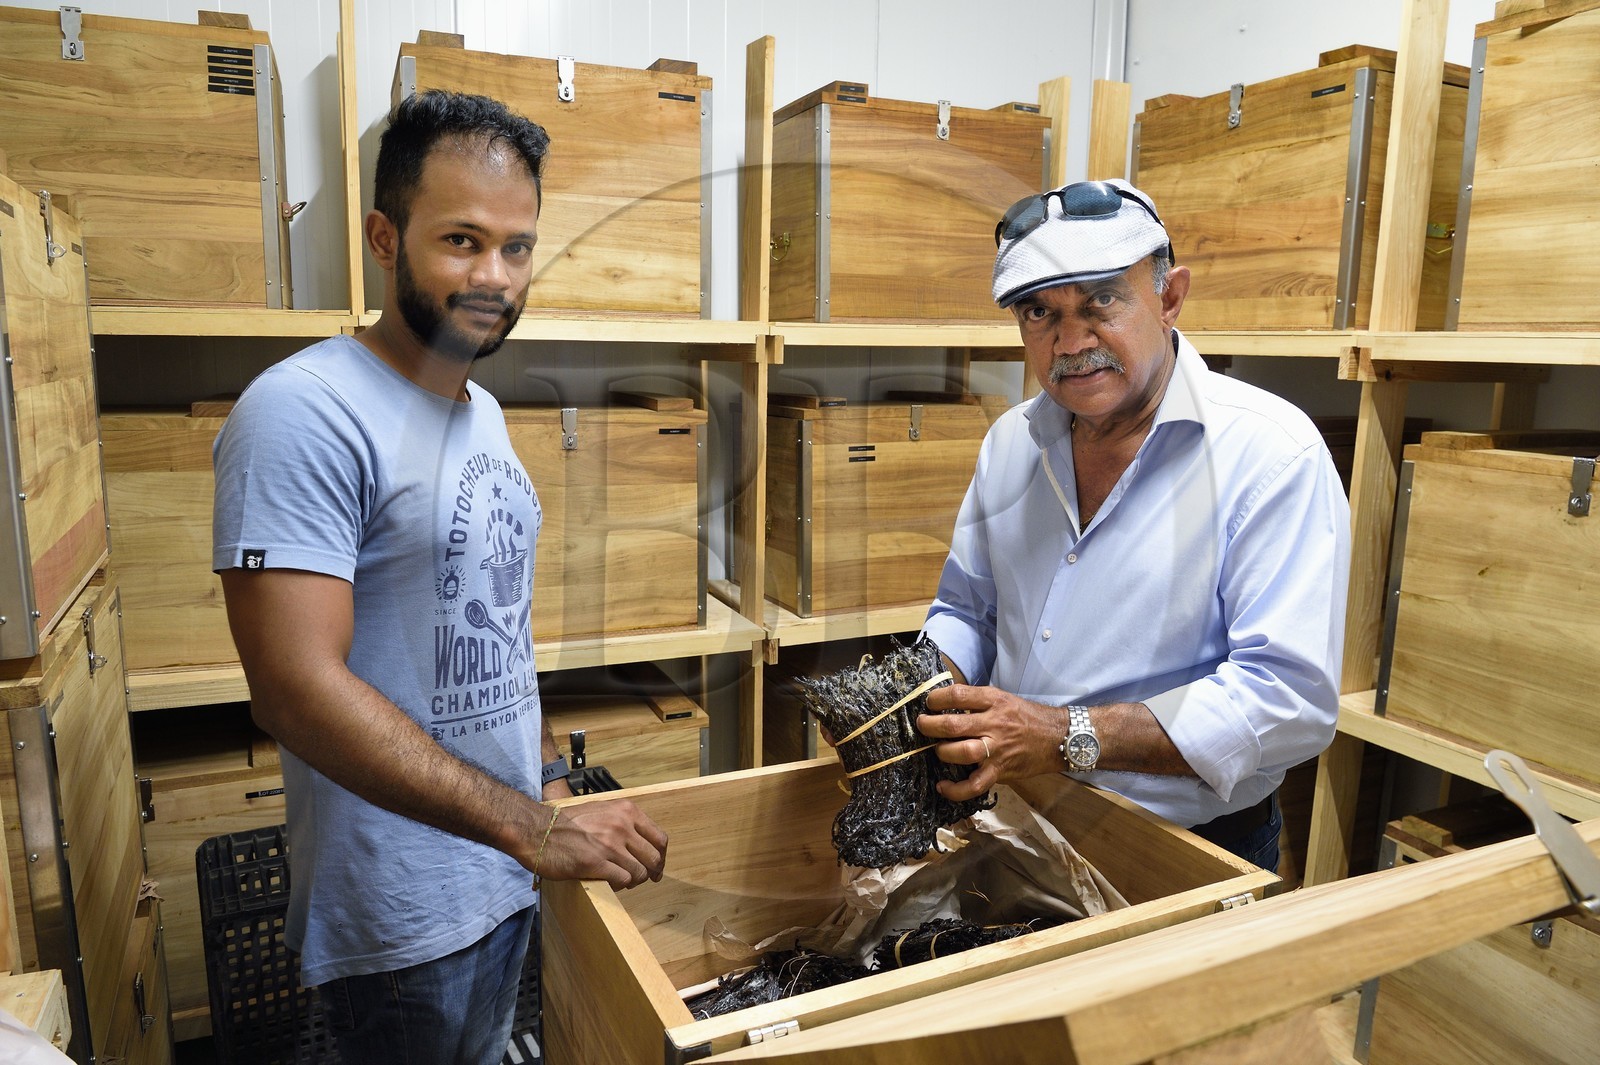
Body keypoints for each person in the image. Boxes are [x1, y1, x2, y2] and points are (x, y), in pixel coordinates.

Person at [212, 90, 668, 1064]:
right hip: (401, 926)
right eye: (461, 240)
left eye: (516, 246)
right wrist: (531, 827)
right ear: (384, 237)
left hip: (508, 880)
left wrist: (551, 792)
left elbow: (497, 632)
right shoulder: (304, 411)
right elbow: (293, 690)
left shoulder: (484, 415)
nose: (494, 276)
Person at [915, 179, 1350, 871]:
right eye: (1038, 313)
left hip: (1189, 849)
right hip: (1016, 820)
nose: (1071, 341)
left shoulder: (1270, 455)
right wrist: (913, 695)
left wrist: (1064, 734)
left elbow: (1287, 702)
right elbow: (968, 607)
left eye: (1102, 302)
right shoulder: (1010, 443)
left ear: (1170, 297)